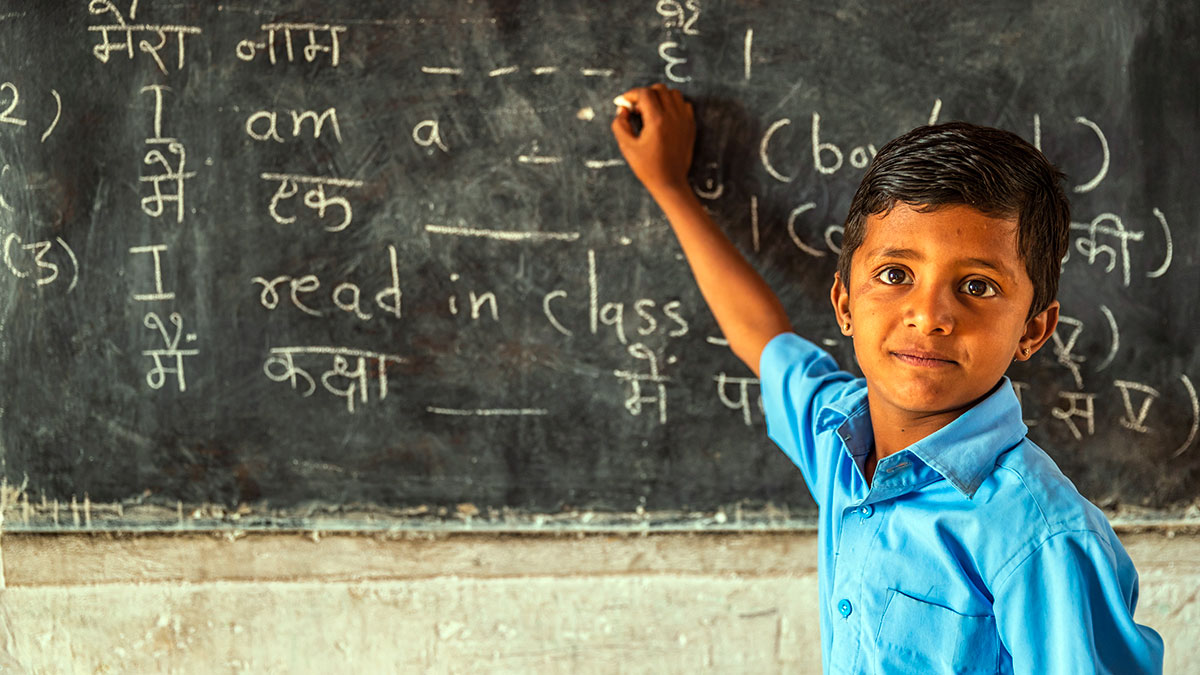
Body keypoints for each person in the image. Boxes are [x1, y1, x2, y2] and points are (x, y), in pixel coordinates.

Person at [611, 83, 1164, 674]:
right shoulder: (839, 440)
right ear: (845, 303)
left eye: (977, 286)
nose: (929, 315)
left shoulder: (1039, 537)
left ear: (1033, 328)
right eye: (896, 273)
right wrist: (669, 187)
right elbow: (762, 337)